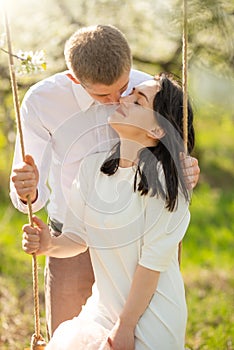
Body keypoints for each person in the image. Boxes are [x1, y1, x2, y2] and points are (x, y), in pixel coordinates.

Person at [10, 25, 200, 338]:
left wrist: (187, 169)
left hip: (142, 236)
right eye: (102, 94)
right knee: (67, 332)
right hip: (72, 230)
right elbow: (33, 194)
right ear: (74, 79)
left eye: (124, 90)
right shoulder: (42, 101)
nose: (116, 100)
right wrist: (26, 189)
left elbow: (174, 152)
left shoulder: (148, 90)